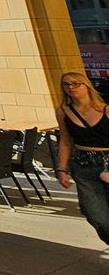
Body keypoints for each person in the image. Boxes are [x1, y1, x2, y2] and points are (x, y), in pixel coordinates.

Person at [56, 71, 109, 245]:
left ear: (86, 85)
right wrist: (62, 169)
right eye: (66, 84)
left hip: (107, 161)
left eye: (76, 83)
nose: (71, 87)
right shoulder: (63, 111)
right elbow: (65, 141)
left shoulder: (105, 109)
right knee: (96, 214)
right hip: (83, 165)